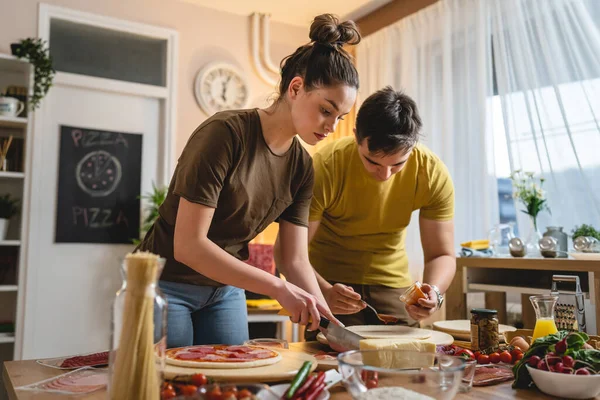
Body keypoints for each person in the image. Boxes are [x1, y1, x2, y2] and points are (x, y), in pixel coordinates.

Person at [137, 14, 361, 348]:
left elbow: (296, 260)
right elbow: (188, 246)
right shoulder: (225, 134)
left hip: (223, 291)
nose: (332, 125)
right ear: (296, 88)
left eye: (340, 116)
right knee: (170, 383)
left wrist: (330, 324)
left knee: (234, 384)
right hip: (167, 282)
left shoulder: (302, 167)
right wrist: (278, 288)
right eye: (326, 110)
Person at [305, 86, 456, 328]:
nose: (385, 174)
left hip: (393, 282)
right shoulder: (326, 166)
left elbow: (441, 254)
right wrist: (322, 290)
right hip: (330, 280)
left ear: (413, 146)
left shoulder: (431, 172)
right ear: (356, 137)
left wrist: (434, 293)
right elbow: (290, 252)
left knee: (407, 357)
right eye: (372, 161)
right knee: (329, 357)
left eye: (397, 164)